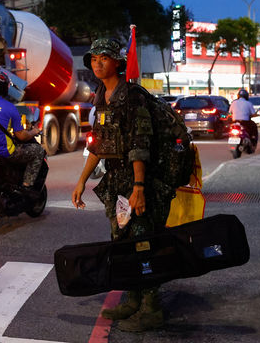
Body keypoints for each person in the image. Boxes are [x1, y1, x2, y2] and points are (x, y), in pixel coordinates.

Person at [71, 38, 175, 332]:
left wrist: (139, 187)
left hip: (139, 182)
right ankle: (133, 299)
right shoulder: (102, 95)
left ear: (117, 61)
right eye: (93, 59)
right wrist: (81, 180)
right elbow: (98, 144)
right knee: (123, 245)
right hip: (116, 182)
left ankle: (151, 308)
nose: (97, 63)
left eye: (104, 57)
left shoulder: (133, 96)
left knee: (144, 245)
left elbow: (141, 144)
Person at [0, 68, 45, 195]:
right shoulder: (9, 107)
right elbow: (21, 136)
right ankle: (26, 187)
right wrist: (34, 131)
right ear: (4, 87)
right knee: (38, 151)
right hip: (4, 152)